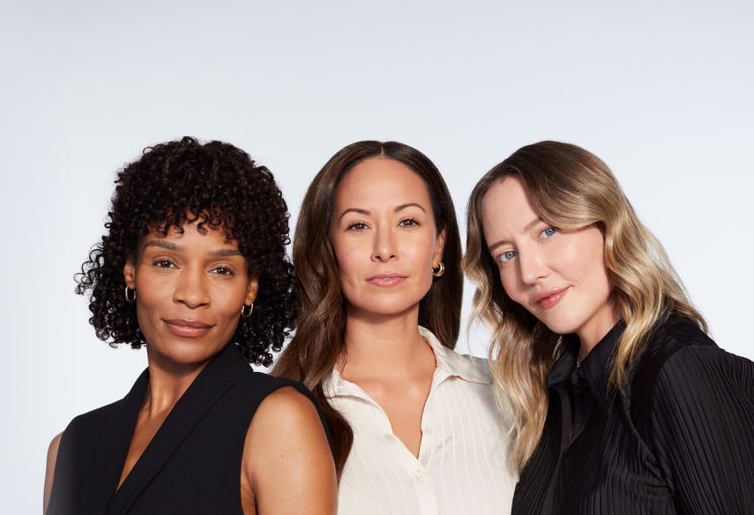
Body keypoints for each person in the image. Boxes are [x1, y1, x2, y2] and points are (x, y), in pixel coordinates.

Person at [42, 137, 337, 515]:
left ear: (250, 288)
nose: (192, 294)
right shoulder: (72, 447)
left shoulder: (279, 420)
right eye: (166, 262)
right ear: (131, 271)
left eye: (221, 270)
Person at [464, 140, 754, 513]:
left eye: (547, 231)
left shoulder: (680, 371)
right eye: (506, 254)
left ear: (606, 224)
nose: (530, 272)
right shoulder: (553, 401)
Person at [273, 140, 516, 514]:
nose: (385, 248)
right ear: (328, 250)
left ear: (438, 246)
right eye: (358, 225)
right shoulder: (282, 412)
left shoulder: (512, 395)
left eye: (407, 222)